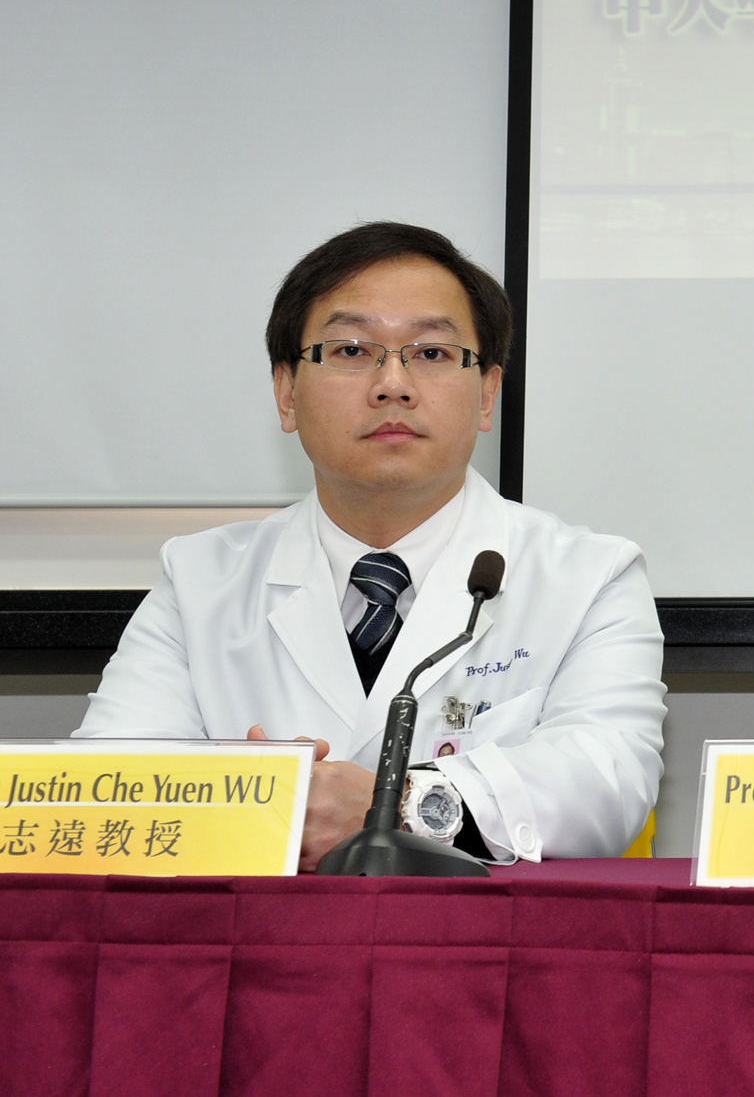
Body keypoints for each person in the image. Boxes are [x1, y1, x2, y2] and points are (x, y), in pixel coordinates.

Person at [78, 222, 665, 868]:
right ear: (286, 392)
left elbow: (608, 783)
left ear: (487, 394)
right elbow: (107, 787)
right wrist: (254, 801)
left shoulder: (589, 575)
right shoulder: (199, 580)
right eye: (352, 350)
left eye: (433, 354)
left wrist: (393, 805)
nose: (393, 384)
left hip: (473, 953)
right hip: (261, 954)